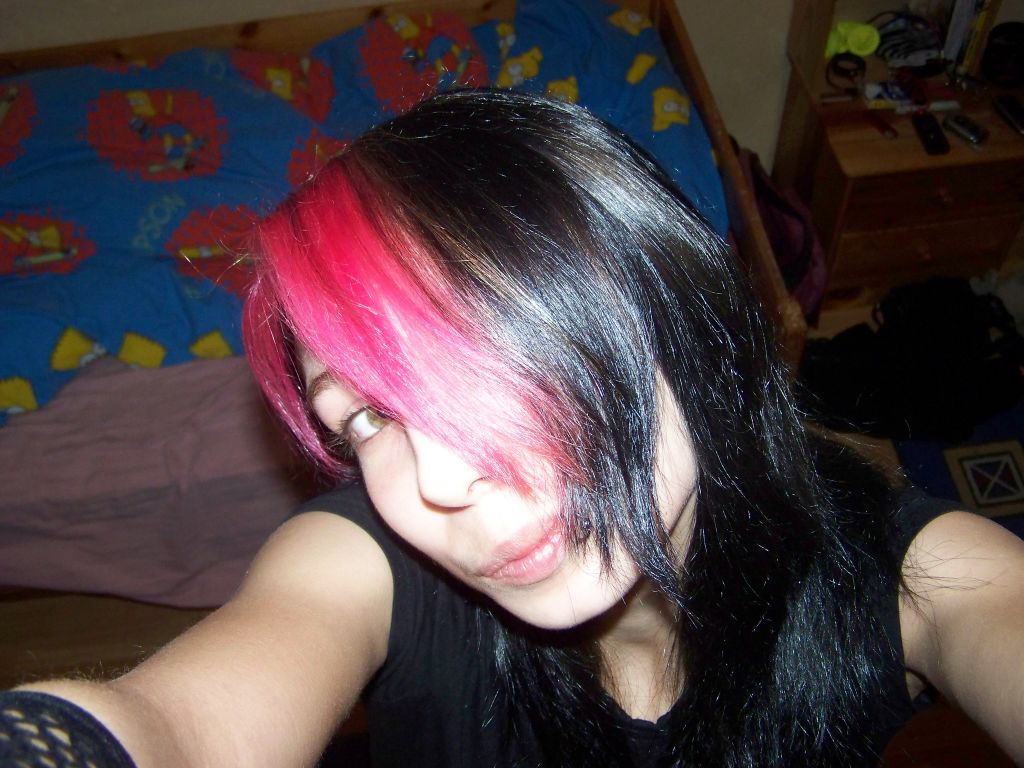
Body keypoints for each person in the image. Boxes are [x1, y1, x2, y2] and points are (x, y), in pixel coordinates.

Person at [5, 89, 1024, 768]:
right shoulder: (363, 567)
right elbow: (174, 727)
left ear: (666, 297)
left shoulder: (927, 582)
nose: (439, 480)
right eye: (367, 416)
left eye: (481, 340)